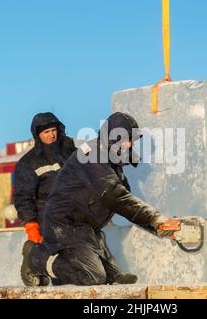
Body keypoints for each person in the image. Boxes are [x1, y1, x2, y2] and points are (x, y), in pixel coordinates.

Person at [21, 112, 172, 286]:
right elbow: (115, 197)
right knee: (93, 277)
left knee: (110, 279)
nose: (130, 144)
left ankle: (111, 277)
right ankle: (36, 258)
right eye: (125, 139)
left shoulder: (112, 163)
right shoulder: (91, 154)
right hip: (64, 225)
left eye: (131, 139)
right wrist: (155, 219)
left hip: (85, 229)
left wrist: (159, 227)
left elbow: (124, 202)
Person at [14, 112, 76, 286]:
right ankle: (31, 256)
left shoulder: (72, 153)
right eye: (46, 132)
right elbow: (23, 197)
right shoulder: (28, 163)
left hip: (75, 216)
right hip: (48, 218)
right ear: (38, 135)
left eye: (53, 130)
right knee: (61, 271)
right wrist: (31, 226)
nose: (51, 135)